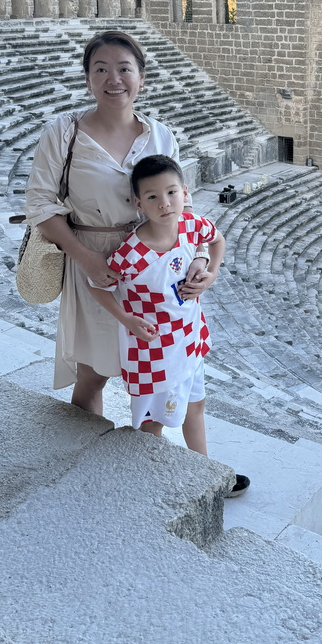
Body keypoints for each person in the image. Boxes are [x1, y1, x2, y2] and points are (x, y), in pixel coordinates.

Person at [25, 30, 214, 413]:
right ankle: (83, 453)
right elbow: (40, 203)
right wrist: (85, 258)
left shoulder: (160, 136)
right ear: (88, 78)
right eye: (101, 69)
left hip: (157, 269)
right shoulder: (63, 133)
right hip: (94, 265)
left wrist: (201, 257)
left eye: (124, 69)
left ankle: (145, 457)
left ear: (141, 78)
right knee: (94, 373)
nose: (114, 79)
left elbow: (183, 205)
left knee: (158, 371)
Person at [85, 155, 248, 496]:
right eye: (153, 197)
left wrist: (211, 272)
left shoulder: (191, 224)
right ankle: (149, 489)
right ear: (138, 203)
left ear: (185, 192)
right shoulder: (131, 253)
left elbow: (216, 239)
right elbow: (97, 286)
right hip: (152, 352)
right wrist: (126, 318)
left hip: (189, 337)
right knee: (152, 422)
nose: (165, 203)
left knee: (196, 405)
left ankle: (207, 477)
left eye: (172, 192)